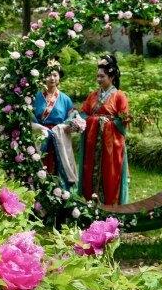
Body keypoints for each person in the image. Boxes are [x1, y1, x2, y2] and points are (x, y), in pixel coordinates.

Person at [78, 54, 130, 206]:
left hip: (111, 147)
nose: (99, 79)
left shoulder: (119, 96)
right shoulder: (93, 95)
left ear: (111, 76)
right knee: (90, 173)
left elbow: (123, 122)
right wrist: (96, 120)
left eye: (102, 76)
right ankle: (90, 204)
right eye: (98, 76)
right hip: (92, 145)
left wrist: (107, 124)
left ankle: (109, 207)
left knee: (110, 175)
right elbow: (83, 114)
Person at [31, 59, 80, 190]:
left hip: (60, 138)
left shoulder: (65, 99)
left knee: (59, 169)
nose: (52, 78)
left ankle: (61, 194)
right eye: (49, 75)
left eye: (55, 75)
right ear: (43, 77)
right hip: (41, 137)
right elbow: (30, 118)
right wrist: (40, 128)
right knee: (40, 168)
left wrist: (66, 126)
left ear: (59, 77)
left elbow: (72, 117)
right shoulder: (35, 97)